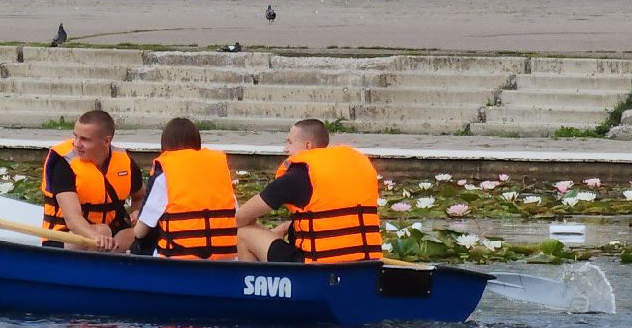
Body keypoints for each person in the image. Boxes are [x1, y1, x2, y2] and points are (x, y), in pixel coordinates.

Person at [236, 119, 384, 264]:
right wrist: (285, 228)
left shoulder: (298, 175)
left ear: (307, 145)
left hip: (316, 270)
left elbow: (240, 218)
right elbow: (334, 219)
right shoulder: (355, 168)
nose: (285, 149)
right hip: (366, 264)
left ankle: (245, 286)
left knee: (244, 233)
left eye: (290, 142)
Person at [123, 117, 237, 260]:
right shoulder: (220, 168)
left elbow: (140, 232)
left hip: (178, 258)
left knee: (140, 242)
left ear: (164, 147)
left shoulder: (164, 171)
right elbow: (235, 214)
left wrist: (138, 219)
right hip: (225, 257)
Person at [41, 109, 139, 252]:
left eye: (84, 139)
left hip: (110, 236)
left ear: (106, 141)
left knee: (141, 232)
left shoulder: (125, 162)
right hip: (64, 237)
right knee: (102, 231)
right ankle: (97, 268)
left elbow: (140, 195)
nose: (76, 144)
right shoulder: (63, 163)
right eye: (76, 137)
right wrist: (97, 237)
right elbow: (72, 219)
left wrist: (136, 212)